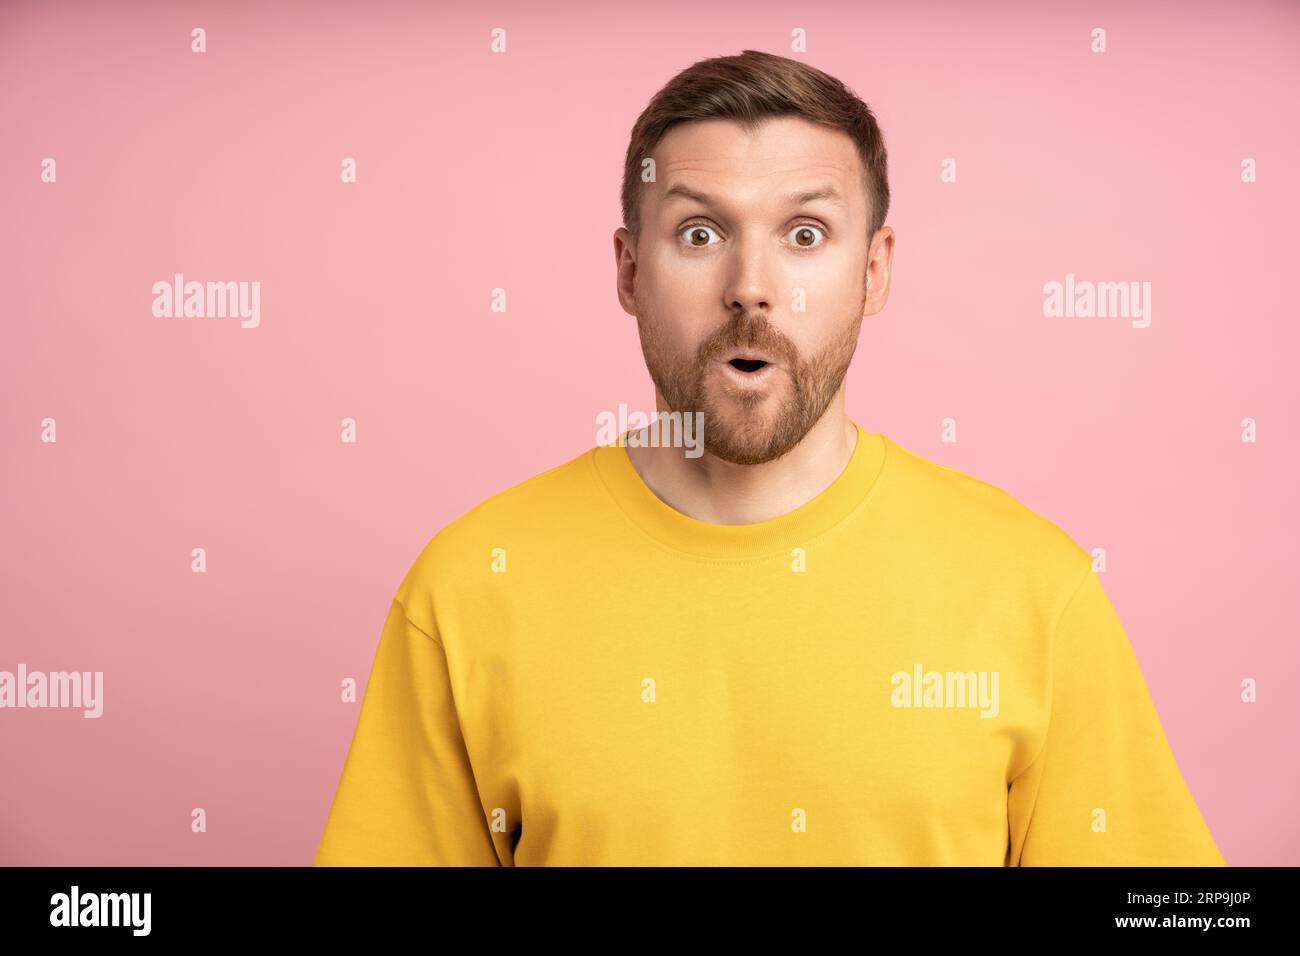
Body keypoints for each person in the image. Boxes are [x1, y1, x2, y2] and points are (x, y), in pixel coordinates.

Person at [313, 50, 1225, 867]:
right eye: (700, 234)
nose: (751, 287)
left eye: (804, 234)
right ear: (630, 271)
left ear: (874, 271)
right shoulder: (469, 587)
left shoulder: (1037, 590)